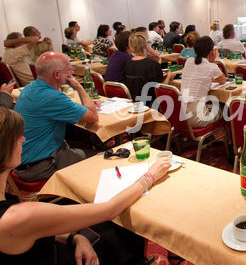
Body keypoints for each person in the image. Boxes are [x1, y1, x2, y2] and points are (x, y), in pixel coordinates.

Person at [0, 107, 171, 264]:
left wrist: (74, 238)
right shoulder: (19, 215)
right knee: (120, 230)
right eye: (16, 137)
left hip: (58, 248)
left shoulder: (15, 212)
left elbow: (31, 230)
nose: (23, 139)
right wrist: (150, 175)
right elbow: (109, 210)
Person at [14, 52, 99, 182]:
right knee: (101, 158)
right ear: (57, 74)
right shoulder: (51, 97)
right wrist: (78, 87)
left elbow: (55, 107)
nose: (72, 73)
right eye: (69, 70)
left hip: (23, 160)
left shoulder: (30, 88)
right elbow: (93, 116)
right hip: (42, 165)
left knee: (82, 142)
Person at [181, 36, 226, 128]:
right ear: (211, 52)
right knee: (225, 108)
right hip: (197, 117)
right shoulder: (211, 67)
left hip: (181, 115)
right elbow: (223, 80)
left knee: (210, 103)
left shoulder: (189, 61)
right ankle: (228, 140)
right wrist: (213, 62)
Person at [125, 32, 164, 106]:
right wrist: (169, 76)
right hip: (152, 103)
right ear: (146, 45)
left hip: (134, 102)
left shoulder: (128, 63)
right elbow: (160, 89)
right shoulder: (152, 64)